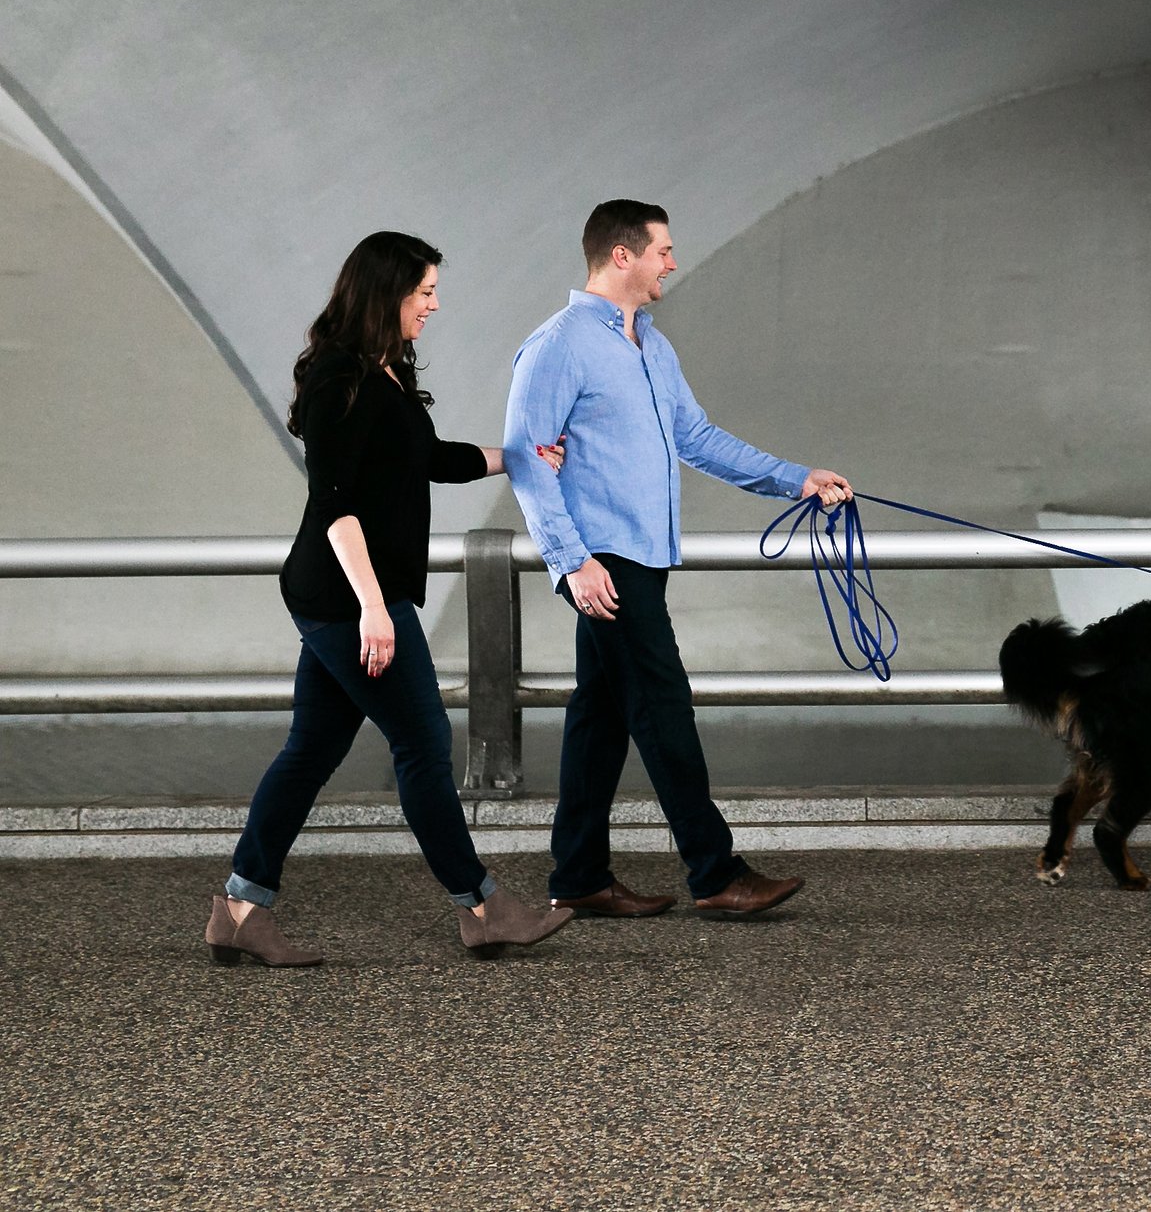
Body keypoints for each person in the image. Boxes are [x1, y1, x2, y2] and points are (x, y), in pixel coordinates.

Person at [209, 232, 576, 966]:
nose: (435, 304)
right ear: (388, 292)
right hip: (345, 597)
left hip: (348, 596)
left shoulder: (386, 370)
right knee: (421, 742)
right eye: (425, 292)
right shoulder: (337, 379)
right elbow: (334, 503)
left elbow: (426, 459)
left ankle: (241, 906)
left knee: (310, 748)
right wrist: (376, 609)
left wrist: (516, 457)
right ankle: (480, 904)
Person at [504, 199, 851, 921]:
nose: (672, 260)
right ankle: (715, 871)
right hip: (601, 559)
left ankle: (577, 877)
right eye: (663, 248)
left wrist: (796, 477)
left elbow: (696, 436)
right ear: (621, 255)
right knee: (662, 705)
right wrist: (571, 562)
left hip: (643, 555)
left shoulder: (653, 346)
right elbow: (528, 462)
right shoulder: (559, 344)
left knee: (600, 715)